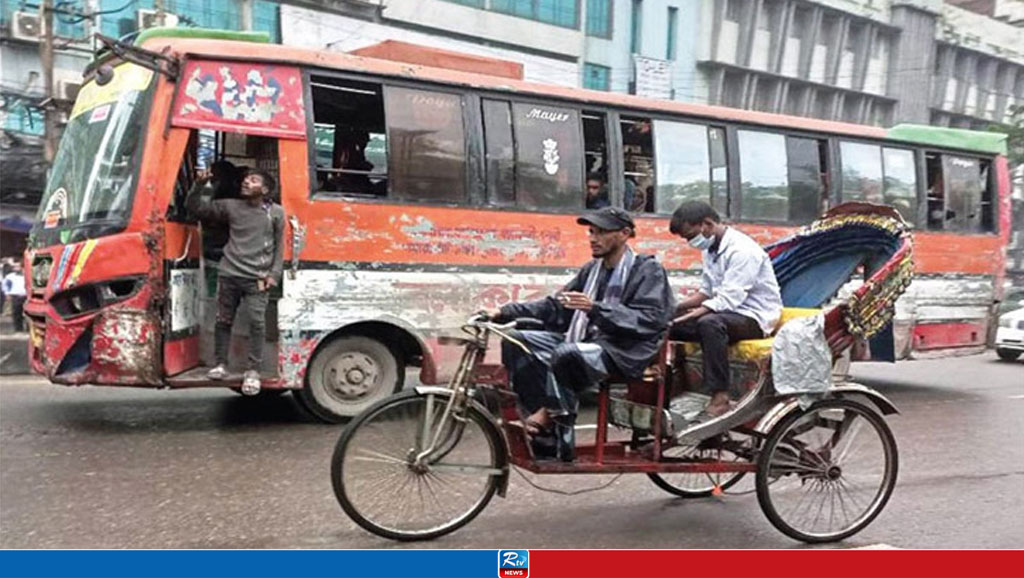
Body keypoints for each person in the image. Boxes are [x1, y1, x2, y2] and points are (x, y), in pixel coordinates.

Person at [489, 207, 674, 461]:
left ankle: (554, 424)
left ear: (624, 233)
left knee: (568, 354)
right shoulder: (591, 270)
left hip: (625, 350)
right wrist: (504, 311)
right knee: (517, 340)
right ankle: (544, 429)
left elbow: (650, 320)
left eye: (601, 232)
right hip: (589, 341)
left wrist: (595, 308)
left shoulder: (647, 270)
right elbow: (557, 306)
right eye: (591, 232)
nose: (593, 238)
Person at [668, 201, 782, 418]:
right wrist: (674, 309)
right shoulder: (710, 250)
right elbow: (707, 292)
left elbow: (729, 299)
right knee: (666, 324)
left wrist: (693, 314)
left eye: (691, 236)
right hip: (726, 312)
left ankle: (720, 396)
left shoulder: (743, 251)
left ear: (707, 224)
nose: (690, 242)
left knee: (709, 323)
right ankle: (671, 387)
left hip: (754, 317)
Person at [187, 169, 284, 394]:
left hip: (257, 278)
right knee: (223, 320)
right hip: (229, 273)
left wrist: (274, 275)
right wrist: (199, 185)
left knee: (257, 323)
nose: (246, 182)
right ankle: (220, 364)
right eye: (246, 179)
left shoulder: (276, 213)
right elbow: (196, 208)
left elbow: (280, 247)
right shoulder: (231, 206)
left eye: (253, 180)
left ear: (265, 190)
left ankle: (253, 371)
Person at [2, 262, 27, 332]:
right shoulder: (10, 276)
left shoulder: (27, 275)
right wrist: (7, 293)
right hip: (16, 296)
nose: (15, 268)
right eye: (14, 267)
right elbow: (5, 285)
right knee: (16, 313)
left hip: (26, 296)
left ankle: (28, 329)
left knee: (28, 314)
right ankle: (18, 328)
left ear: (22, 267)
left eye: (17, 266)